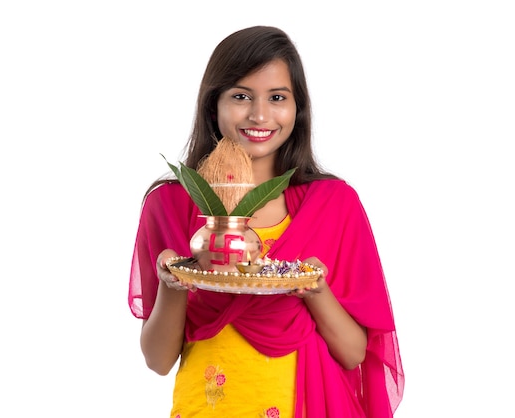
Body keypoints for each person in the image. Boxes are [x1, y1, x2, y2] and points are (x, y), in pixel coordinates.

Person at [128, 25, 404, 417]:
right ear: (213, 106)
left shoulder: (334, 204)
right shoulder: (172, 204)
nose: (259, 114)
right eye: (240, 96)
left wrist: (313, 287)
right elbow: (157, 360)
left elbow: (353, 353)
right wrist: (172, 283)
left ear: (298, 108)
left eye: (277, 97)